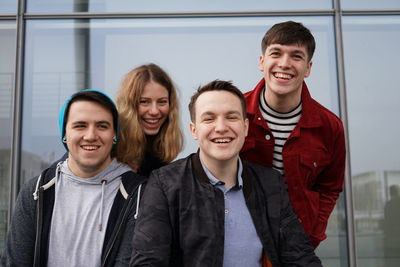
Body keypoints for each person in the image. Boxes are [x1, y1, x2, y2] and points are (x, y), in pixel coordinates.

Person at [131, 80, 322, 267]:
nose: (221, 127)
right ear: (194, 130)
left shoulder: (271, 183)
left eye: (231, 117)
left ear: (245, 127)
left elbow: (300, 256)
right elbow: (148, 261)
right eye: (209, 118)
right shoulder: (164, 184)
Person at [1, 89, 147, 267]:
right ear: (64, 134)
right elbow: (15, 262)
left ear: (114, 134)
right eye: (80, 125)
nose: (91, 136)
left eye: (102, 126)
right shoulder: (36, 191)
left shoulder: (137, 193)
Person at [240, 21, 346, 248]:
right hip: (239, 240)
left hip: (296, 245)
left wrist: (313, 232)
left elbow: (330, 187)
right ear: (262, 62)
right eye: (276, 53)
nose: (284, 64)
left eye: (296, 56)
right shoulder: (233, 112)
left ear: (308, 68)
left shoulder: (329, 127)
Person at [115, 63, 183, 177]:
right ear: (129, 105)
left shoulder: (160, 155)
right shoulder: (110, 148)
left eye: (162, 102)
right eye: (144, 102)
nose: (154, 111)